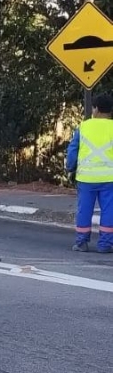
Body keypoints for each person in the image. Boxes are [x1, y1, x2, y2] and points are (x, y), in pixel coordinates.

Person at [66, 93, 113, 253]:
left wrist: (70, 168)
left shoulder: (84, 127)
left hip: (86, 178)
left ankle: (81, 242)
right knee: (109, 210)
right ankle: (105, 244)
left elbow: (73, 151)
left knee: (84, 210)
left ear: (96, 109)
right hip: (109, 178)